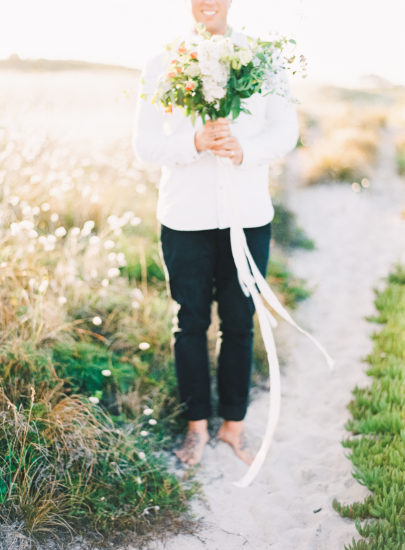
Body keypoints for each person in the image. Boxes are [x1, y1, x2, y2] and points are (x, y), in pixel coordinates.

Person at [132, 0, 299, 467]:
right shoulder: (163, 61)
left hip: (247, 213)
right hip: (185, 216)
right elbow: (144, 144)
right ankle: (195, 427)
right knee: (189, 324)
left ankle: (234, 426)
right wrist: (194, 143)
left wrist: (245, 150)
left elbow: (286, 131)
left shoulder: (263, 57)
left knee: (240, 323)